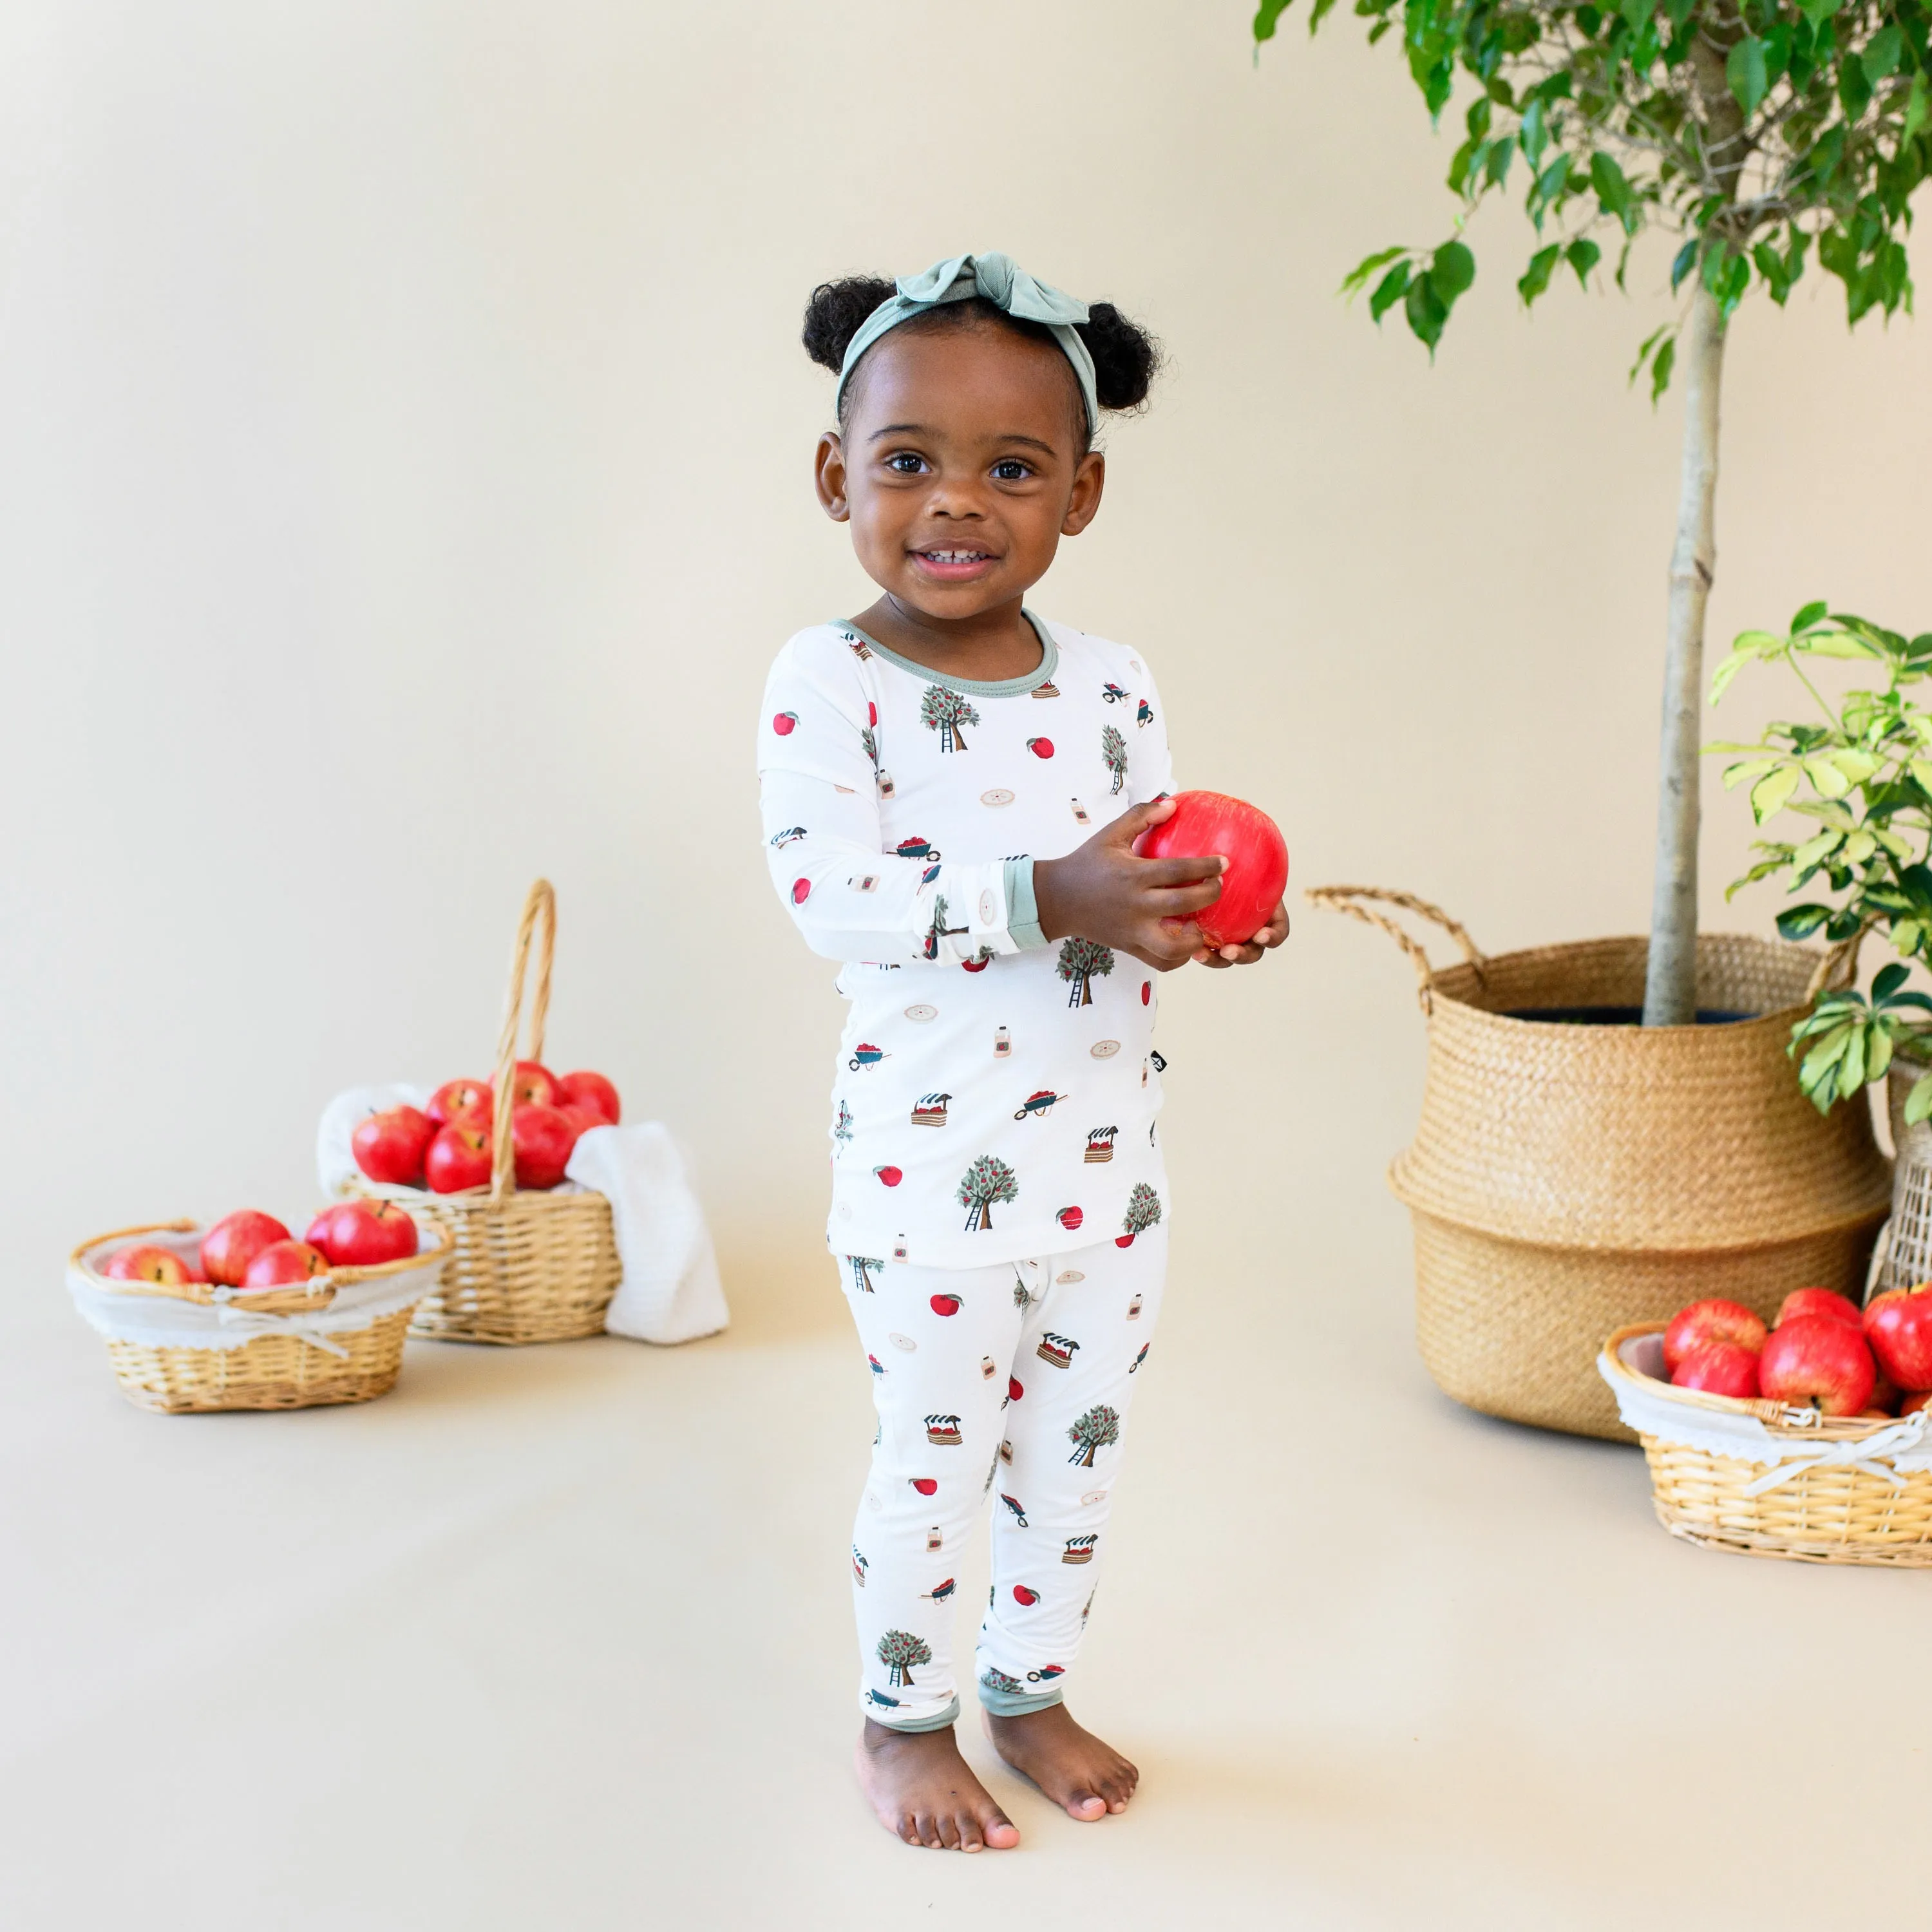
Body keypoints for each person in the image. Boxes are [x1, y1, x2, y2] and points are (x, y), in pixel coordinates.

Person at [756, 254, 1287, 1852]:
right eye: (908, 461)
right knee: (935, 1465)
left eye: (1012, 467)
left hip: (1108, 1172)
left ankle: (1028, 1685)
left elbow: (1143, 864)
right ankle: (901, 1718)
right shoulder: (830, 681)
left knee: (1075, 1461)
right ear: (839, 474)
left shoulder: (1115, 684)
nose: (954, 503)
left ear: (1084, 492)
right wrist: (1053, 892)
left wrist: (1195, 914)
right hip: (929, 1177)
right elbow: (831, 898)